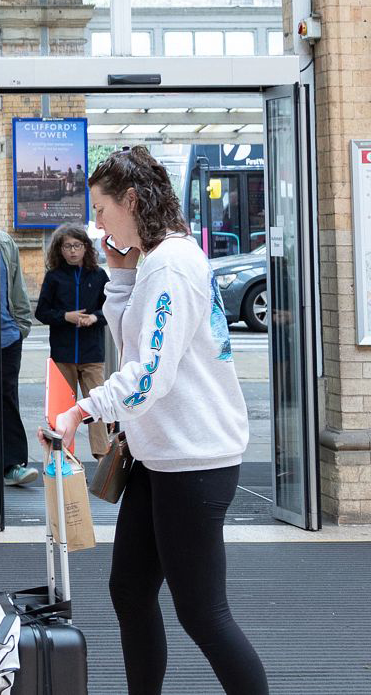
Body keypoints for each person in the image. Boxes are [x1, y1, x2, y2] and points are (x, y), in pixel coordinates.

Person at [42, 146, 267, 694]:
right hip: (160, 458)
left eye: (101, 209)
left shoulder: (170, 266)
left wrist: (81, 407)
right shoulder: (159, 259)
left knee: (203, 613)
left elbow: (147, 377)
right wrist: (119, 278)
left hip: (192, 462)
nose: (96, 224)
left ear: (133, 200)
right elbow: (137, 346)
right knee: (130, 590)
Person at [34, 223, 110, 457]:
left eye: (77, 245)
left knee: (97, 406)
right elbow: (41, 312)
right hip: (63, 354)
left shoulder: (98, 276)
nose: (73, 251)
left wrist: (94, 318)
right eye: (67, 246)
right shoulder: (54, 277)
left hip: (92, 354)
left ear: (86, 248)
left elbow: (110, 310)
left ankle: (102, 456)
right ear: (59, 249)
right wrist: (66, 316)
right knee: (63, 410)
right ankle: (64, 457)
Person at [0, 229, 36, 486]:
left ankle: (13, 465)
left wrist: (21, 327)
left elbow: (17, 287)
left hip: (7, 336)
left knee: (7, 398)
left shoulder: (3, 241)